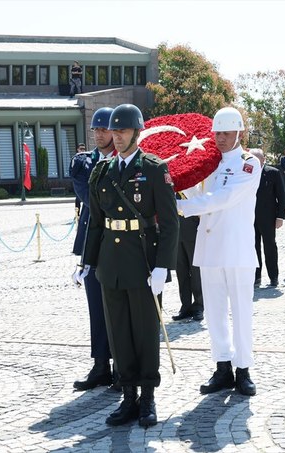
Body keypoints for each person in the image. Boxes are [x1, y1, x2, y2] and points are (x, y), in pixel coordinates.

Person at [82, 103, 179, 428]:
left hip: (143, 261)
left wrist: (163, 266)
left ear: (136, 132)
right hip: (111, 263)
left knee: (145, 332)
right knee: (119, 331)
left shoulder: (154, 168)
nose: (117, 137)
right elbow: (96, 223)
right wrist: (88, 261)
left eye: (123, 131)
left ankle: (148, 398)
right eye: (115, 131)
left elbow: (169, 223)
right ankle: (128, 397)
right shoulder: (102, 172)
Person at [177, 107, 262, 397]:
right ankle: (222, 366)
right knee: (214, 312)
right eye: (217, 133)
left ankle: (244, 369)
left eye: (226, 133)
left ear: (240, 133)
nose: (221, 138)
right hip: (211, 246)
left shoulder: (249, 164)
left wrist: (182, 207)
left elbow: (223, 198)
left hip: (236, 248)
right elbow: (199, 195)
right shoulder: (208, 163)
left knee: (241, 311)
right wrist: (178, 185)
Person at [70, 107, 119, 392]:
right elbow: (90, 198)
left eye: (105, 130)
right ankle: (101, 365)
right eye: (96, 130)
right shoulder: (83, 163)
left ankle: (120, 367)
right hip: (92, 242)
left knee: (119, 308)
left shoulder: (126, 161)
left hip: (120, 243)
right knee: (97, 308)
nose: (100, 135)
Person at [251, 148, 285, 287]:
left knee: (270, 247)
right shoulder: (246, 173)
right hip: (250, 217)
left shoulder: (273, 173)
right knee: (253, 248)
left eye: (256, 159)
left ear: (263, 159)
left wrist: (280, 217)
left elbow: (281, 196)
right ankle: (255, 277)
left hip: (268, 217)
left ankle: (273, 277)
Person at [172, 192, 204, 322]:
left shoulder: (193, 187)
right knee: (181, 271)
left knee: (195, 270)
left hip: (193, 231)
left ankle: (198, 306)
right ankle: (185, 306)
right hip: (176, 233)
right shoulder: (171, 186)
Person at [74, 143, 86, 212]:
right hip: (78, 182)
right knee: (78, 199)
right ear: (78, 149)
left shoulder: (87, 158)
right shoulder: (75, 158)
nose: (82, 150)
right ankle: (77, 215)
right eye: (81, 149)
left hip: (85, 182)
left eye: (84, 149)